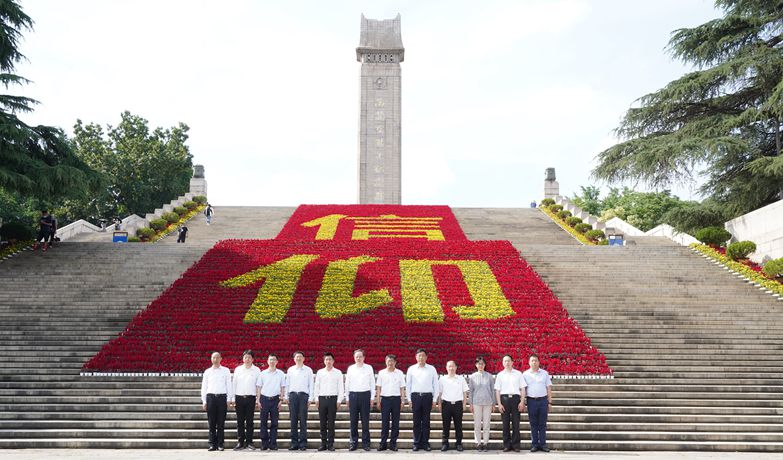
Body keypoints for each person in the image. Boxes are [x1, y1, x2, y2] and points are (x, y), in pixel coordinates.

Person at [405, 348, 439, 452]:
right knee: (416, 422)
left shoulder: (431, 369)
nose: (421, 357)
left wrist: (435, 399)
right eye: (419, 355)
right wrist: (409, 399)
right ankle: (416, 443)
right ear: (416, 357)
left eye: (423, 355)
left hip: (427, 397)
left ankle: (425, 443)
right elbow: (408, 385)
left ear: (426, 357)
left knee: (426, 421)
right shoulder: (411, 369)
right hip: (415, 397)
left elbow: (435, 384)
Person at [200, 351, 234, 451]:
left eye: (217, 357)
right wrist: (204, 401)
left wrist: (229, 399)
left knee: (221, 422)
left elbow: (229, 385)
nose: (215, 359)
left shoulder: (226, 371)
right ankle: (212, 444)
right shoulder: (207, 372)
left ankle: (220, 444)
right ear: (211, 359)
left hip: (222, 398)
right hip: (210, 398)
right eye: (213, 358)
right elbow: (204, 387)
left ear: (221, 359)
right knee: (211, 422)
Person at [345, 348, 375, 451]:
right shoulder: (350, 368)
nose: (358, 358)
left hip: (365, 395)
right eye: (356, 357)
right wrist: (347, 397)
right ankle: (353, 443)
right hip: (353, 396)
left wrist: (372, 397)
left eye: (360, 356)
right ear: (354, 358)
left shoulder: (369, 368)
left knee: (365, 421)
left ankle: (366, 444)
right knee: (353, 421)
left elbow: (372, 384)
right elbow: (347, 384)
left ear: (364, 357)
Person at [313, 352, 344, 451]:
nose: (328, 361)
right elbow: (317, 386)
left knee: (331, 423)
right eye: (326, 359)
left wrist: (339, 400)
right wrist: (316, 398)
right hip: (322, 399)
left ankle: (330, 444)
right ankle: (323, 444)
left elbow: (341, 387)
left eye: (330, 359)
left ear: (333, 361)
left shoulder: (338, 372)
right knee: (322, 423)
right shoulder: (320, 372)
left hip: (333, 400)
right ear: (324, 361)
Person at [494, 355, 526, 452]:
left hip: (516, 399)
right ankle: (507, 445)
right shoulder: (500, 375)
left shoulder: (518, 374)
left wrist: (522, 401)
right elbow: (497, 391)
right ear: (502, 363)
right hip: (504, 399)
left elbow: (523, 388)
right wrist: (499, 404)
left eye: (508, 361)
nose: (507, 363)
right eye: (505, 361)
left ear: (512, 362)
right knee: (505, 424)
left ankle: (516, 445)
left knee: (516, 423)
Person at [523, 354, 553, 453]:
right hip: (531, 401)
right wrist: (522, 402)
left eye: (536, 360)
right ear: (529, 362)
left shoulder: (544, 373)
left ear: (539, 362)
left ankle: (543, 444)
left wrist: (549, 402)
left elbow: (548, 388)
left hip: (543, 401)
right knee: (533, 424)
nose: (534, 362)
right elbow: (523, 389)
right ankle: (534, 444)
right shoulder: (525, 374)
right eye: (532, 360)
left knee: (543, 424)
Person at [375, 354, 405, 452]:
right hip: (385, 400)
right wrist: (378, 401)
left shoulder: (399, 373)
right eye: (388, 361)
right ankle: (383, 444)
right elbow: (378, 388)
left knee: (395, 423)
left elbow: (402, 388)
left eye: (392, 361)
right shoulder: (381, 373)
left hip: (396, 400)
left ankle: (393, 444)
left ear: (395, 362)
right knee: (385, 423)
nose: (390, 363)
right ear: (385, 362)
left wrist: (403, 400)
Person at [232, 350, 261, 450]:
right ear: (243, 359)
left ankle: (249, 442)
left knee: (250, 421)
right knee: (240, 421)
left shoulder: (257, 370)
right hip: (239, 398)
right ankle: (240, 442)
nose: (247, 359)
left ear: (253, 359)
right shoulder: (238, 369)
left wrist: (258, 399)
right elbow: (234, 384)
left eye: (249, 357)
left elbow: (258, 386)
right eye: (245, 357)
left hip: (251, 398)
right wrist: (233, 398)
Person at [437, 360, 469, 452]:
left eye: (453, 366)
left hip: (458, 405)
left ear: (456, 367)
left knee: (458, 425)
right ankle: (445, 444)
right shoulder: (442, 379)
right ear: (446, 368)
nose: (451, 368)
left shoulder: (461, 379)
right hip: (446, 404)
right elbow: (440, 392)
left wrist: (464, 404)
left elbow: (465, 392)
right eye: (449, 366)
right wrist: (439, 403)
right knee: (445, 425)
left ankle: (458, 443)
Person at [256, 354, 286, 451]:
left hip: (275, 400)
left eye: (274, 360)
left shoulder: (281, 374)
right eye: (270, 360)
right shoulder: (262, 373)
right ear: (267, 361)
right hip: (264, 399)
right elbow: (259, 387)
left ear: (277, 362)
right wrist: (258, 400)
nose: (272, 361)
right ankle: (264, 444)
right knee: (263, 423)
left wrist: (281, 400)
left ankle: (273, 444)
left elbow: (282, 387)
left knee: (274, 423)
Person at [285, 351, 313, 451]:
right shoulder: (290, 370)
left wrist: (310, 398)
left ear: (304, 358)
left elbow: (311, 385)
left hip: (303, 396)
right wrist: (286, 396)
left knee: (303, 420)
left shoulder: (308, 370)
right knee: (293, 420)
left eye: (300, 357)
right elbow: (287, 384)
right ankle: (294, 443)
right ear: (294, 359)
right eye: (297, 357)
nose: (298, 358)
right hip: (293, 396)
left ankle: (303, 443)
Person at [468, 356, 496, 451]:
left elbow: (492, 390)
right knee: (477, 424)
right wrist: (471, 404)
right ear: (476, 365)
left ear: (485, 365)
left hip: (488, 402)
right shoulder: (472, 377)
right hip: (476, 403)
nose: (480, 365)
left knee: (486, 424)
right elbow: (471, 391)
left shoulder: (489, 376)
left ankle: (485, 443)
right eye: (479, 363)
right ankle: (478, 443)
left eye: (482, 363)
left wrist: (493, 403)